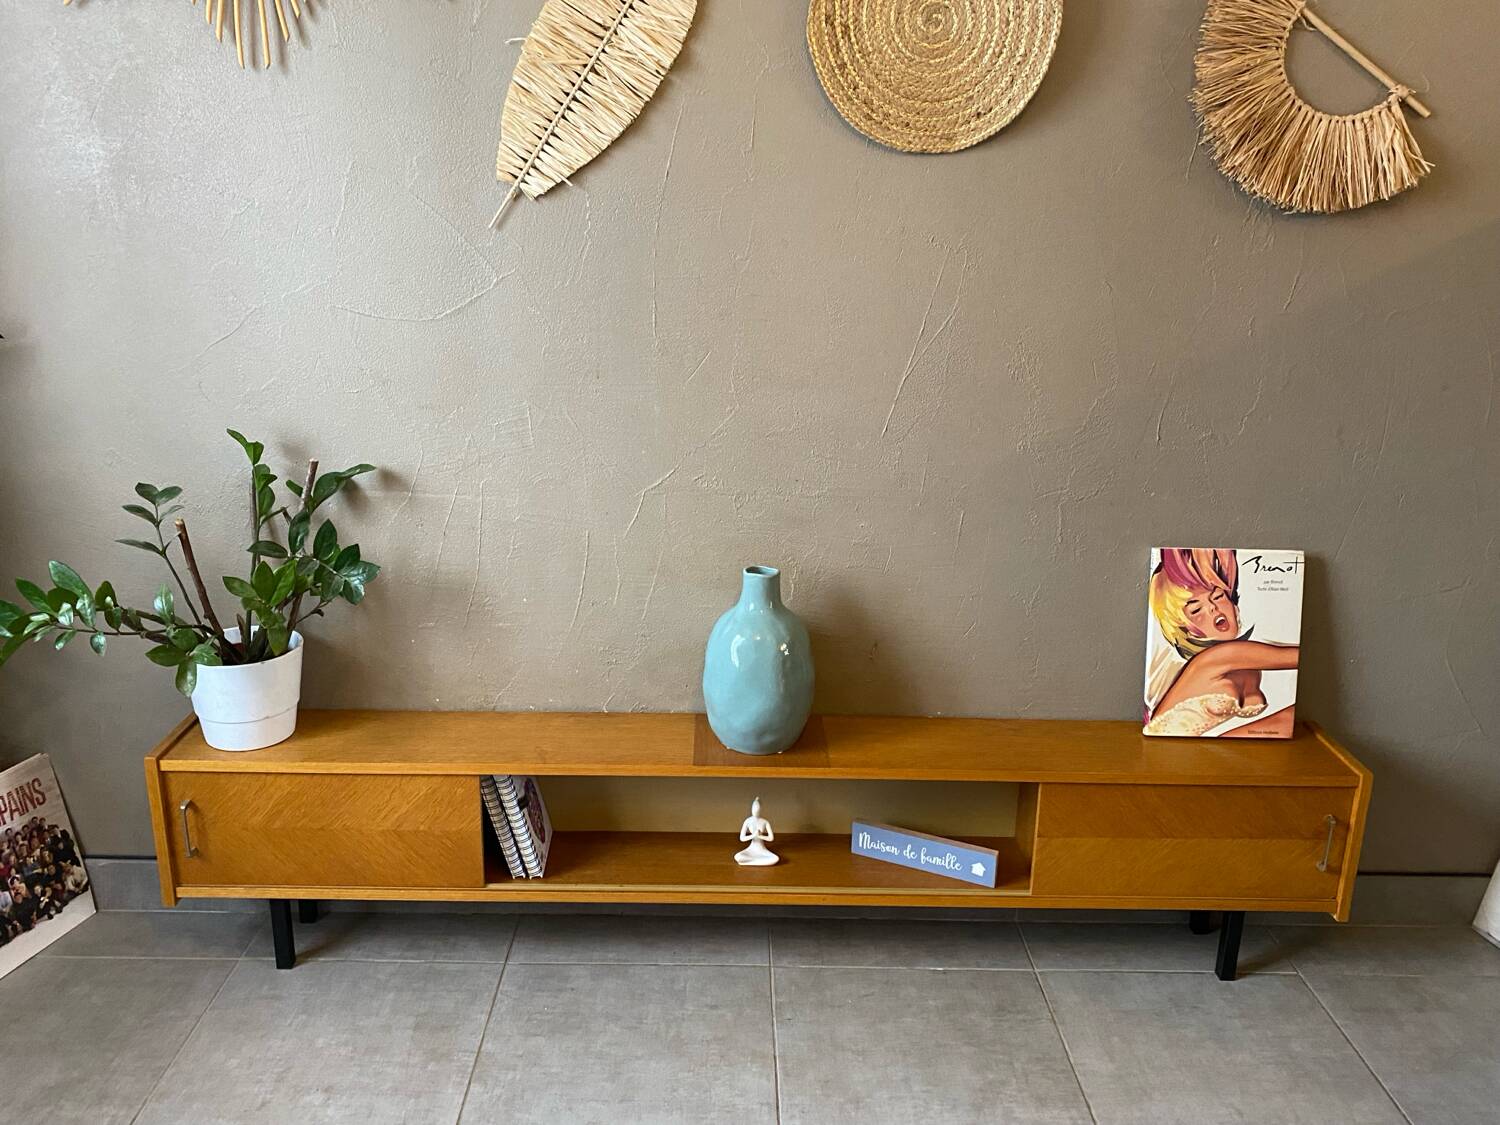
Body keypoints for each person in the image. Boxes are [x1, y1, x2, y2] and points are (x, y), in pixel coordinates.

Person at [1145, 548, 1299, 737]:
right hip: (1169, 753)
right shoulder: (1217, 658)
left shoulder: (1247, 665)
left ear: (1233, 601)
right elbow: (1299, 658)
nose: (1212, 608)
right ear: (1183, 628)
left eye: (1218, 596)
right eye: (1195, 610)